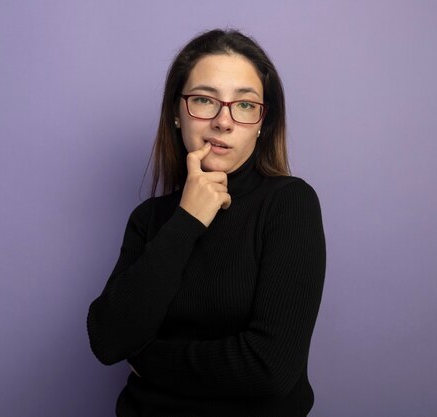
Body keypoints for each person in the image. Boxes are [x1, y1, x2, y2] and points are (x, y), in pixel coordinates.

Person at [87, 29, 326, 417]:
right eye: (203, 100)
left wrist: (147, 359)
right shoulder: (149, 219)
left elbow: (270, 369)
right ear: (176, 115)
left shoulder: (289, 203)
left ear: (262, 122)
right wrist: (187, 220)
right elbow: (108, 340)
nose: (223, 121)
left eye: (245, 105)